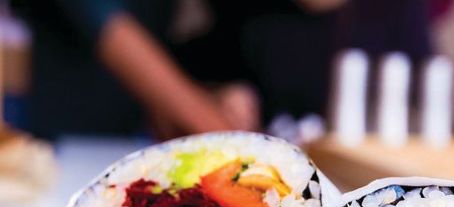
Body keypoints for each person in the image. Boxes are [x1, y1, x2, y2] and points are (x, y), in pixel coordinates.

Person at [16, 0, 345, 139]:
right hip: (61, 126)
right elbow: (102, 20)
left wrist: (213, 90)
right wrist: (218, 127)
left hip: (145, 121)